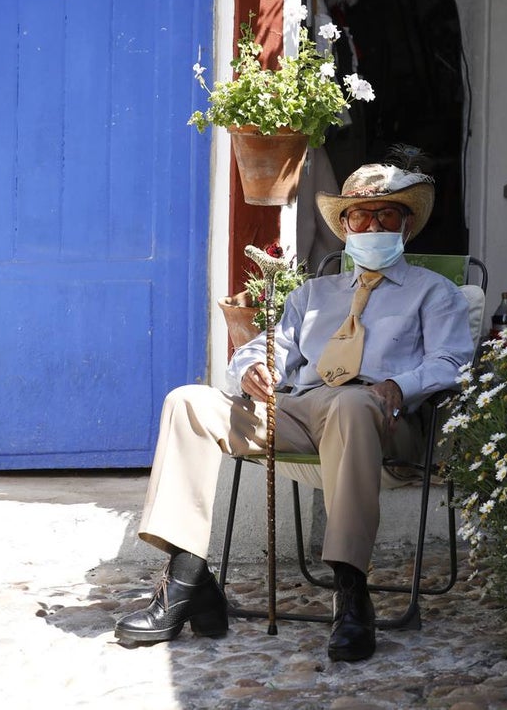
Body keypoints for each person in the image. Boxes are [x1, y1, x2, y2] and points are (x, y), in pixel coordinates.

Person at [114, 163, 475, 662]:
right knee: (187, 403)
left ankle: (351, 594)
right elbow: (268, 349)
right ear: (344, 227)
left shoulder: (435, 293)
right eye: (359, 217)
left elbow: (452, 363)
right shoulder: (312, 295)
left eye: (385, 216)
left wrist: (400, 384)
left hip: (383, 418)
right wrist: (248, 372)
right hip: (300, 410)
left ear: (405, 226)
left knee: (351, 403)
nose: (371, 227)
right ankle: (186, 579)